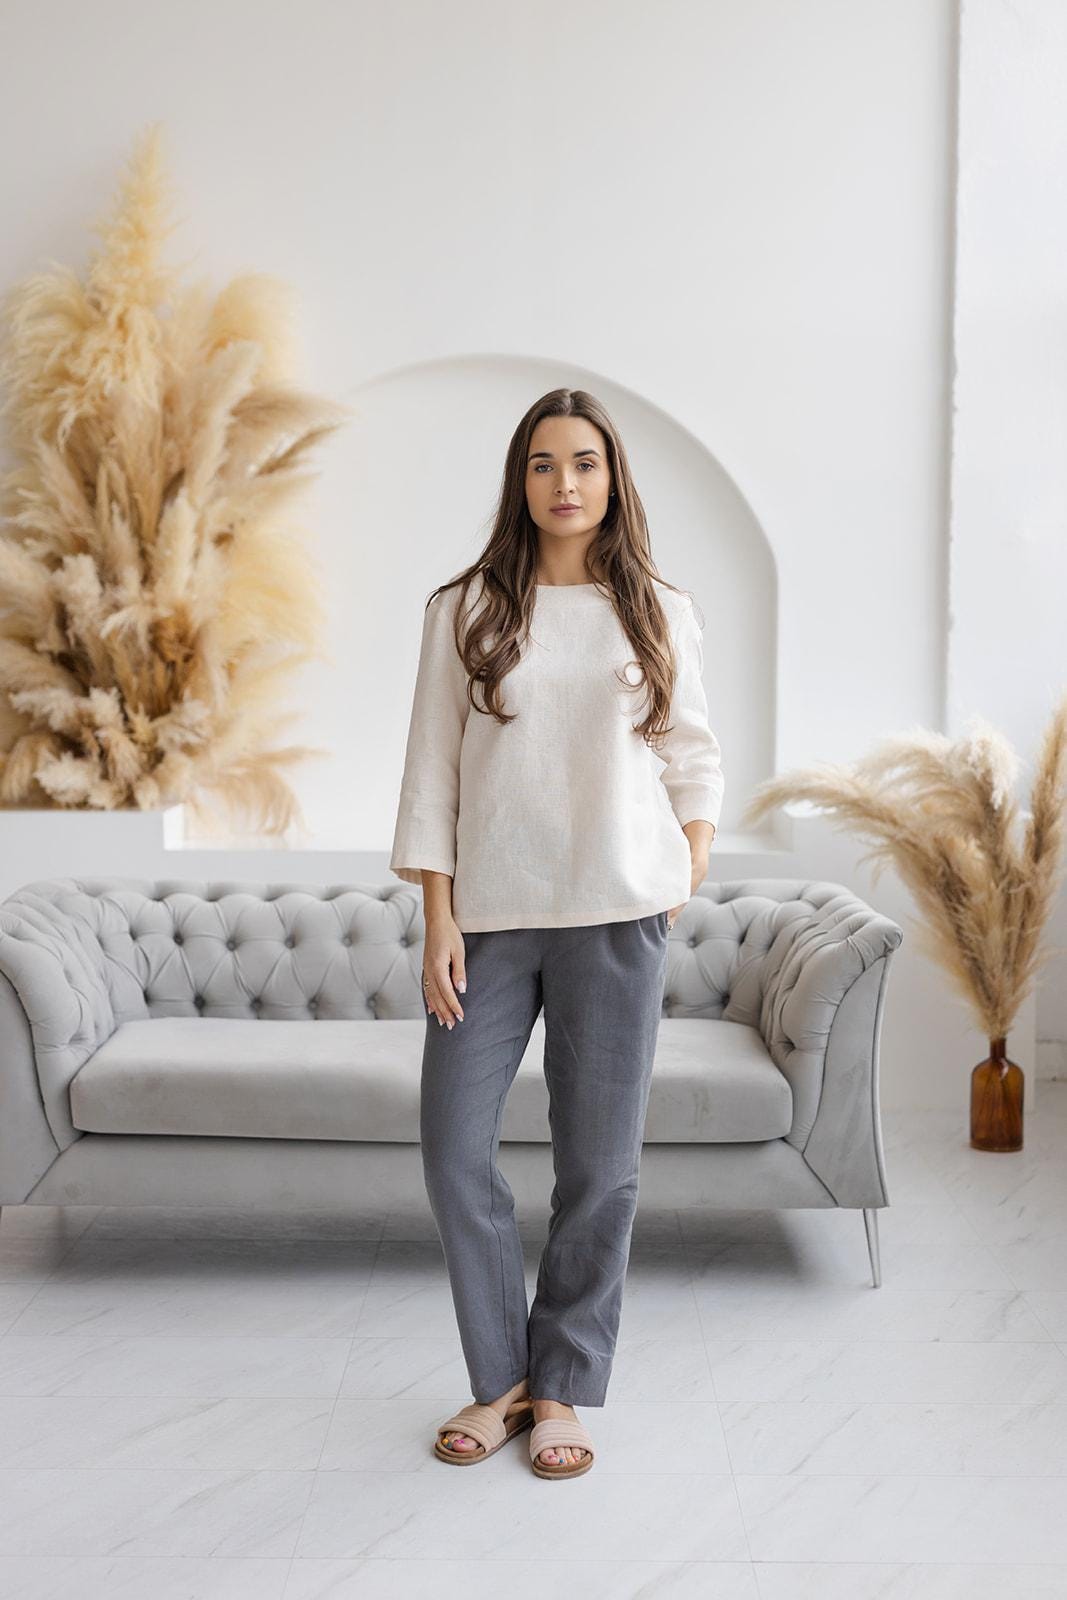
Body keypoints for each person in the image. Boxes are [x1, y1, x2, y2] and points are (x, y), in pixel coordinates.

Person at [388, 386, 724, 1480]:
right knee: (452, 1149)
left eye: (583, 462)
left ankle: (564, 1380)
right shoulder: (466, 607)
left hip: (616, 916)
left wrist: (686, 862)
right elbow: (430, 770)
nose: (563, 482)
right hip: (487, 920)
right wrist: (437, 915)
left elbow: (693, 755)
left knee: (600, 1170)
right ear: (518, 479)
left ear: (612, 478)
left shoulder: (659, 607)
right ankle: (503, 1382)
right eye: (542, 463)